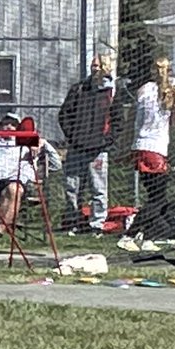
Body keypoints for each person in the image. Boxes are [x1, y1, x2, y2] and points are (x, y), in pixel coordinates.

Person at [58, 53, 132, 234]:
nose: (94, 68)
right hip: (77, 147)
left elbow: (117, 123)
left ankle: (97, 224)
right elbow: (64, 114)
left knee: (98, 189)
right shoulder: (79, 89)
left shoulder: (112, 93)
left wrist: (105, 141)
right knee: (72, 187)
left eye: (98, 66)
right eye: (93, 65)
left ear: (106, 67)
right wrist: (72, 136)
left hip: (98, 150)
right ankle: (73, 220)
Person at [119, 56, 175, 252]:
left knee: (158, 196)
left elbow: (134, 120)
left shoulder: (144, 89)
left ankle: (151, 236)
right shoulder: (170, 93)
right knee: (157, 198)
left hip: (141, 145)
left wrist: (126, 146)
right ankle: (129, 235)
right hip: (155, 148)